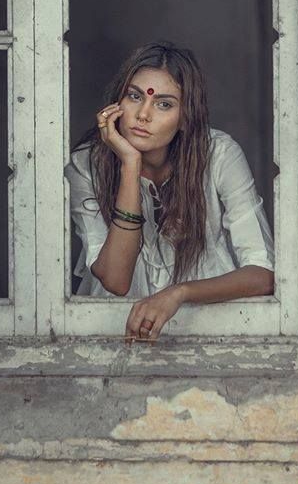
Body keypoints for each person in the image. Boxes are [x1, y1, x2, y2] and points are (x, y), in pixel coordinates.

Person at [64, 41, 275, 342]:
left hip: (208, 330)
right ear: (116, 104)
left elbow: (263, 274)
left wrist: (179, 293)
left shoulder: (220, 156)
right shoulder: (87, 164)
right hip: (113, 331)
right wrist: (130, 164)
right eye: (134, 97)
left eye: (164, 104)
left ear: (186, 117)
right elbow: (116, 279)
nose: (143, 115)